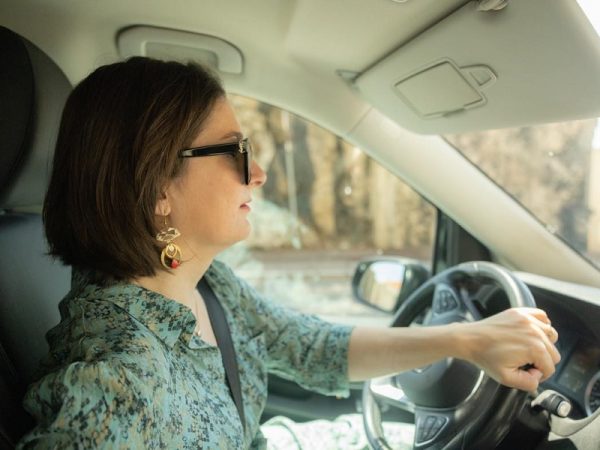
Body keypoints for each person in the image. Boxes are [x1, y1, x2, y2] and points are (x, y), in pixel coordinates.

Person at [17, 57, 560, 449]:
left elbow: (311, 347)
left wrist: (469, 340)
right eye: (235, 151)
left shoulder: (203, 282)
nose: (258, 173)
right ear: (156, 183)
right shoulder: (122, 379)